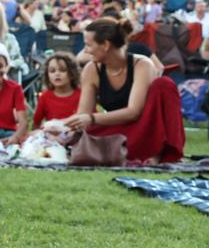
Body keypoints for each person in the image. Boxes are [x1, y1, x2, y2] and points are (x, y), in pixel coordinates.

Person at [65, 18, 184, 163]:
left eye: (88, 45)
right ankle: (130, 151)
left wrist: (91, 118)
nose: (86, 51)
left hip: (146, 129)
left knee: (164, 84)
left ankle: (156, 153)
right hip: (120, 129)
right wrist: (59, 125)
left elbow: (134, 112)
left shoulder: (142, 65)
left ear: (106, 45)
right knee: (77, 137)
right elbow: (83, 115)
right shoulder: (91, 69)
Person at [31, 52, 80, 129]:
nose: (57, 74)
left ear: (72, 73)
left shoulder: (81, 95)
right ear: (47, 75)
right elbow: (36, 123)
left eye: (63, 70)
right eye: (52, 71)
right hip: (53, 136)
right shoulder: (45, 97)